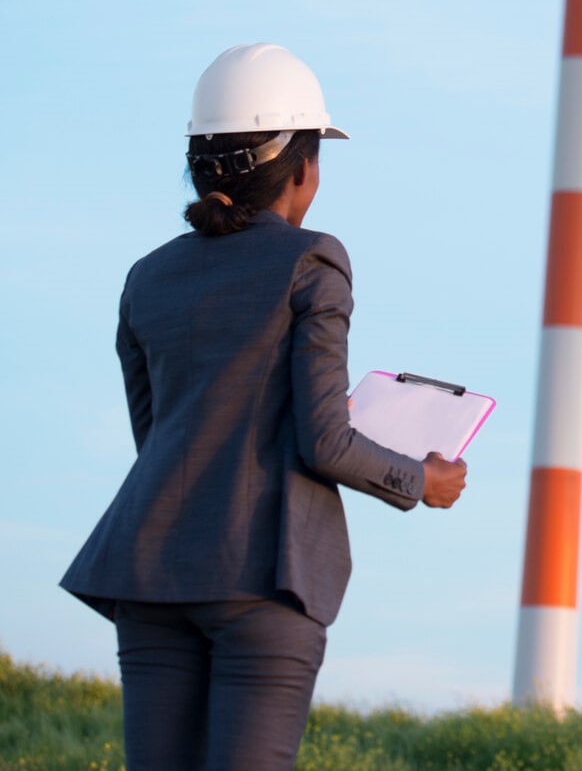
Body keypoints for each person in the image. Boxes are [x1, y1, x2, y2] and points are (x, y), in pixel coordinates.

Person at [60, 43, 467, 770]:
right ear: (305, 167)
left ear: (199, 164)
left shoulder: (145, 277)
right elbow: (324, 443)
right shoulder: (314, 258)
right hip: (261, 577)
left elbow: (160, 440)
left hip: (148, 572)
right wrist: (421, 480)